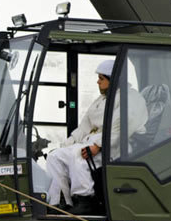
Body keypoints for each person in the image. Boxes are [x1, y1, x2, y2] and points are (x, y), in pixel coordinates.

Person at [44, 59, 147, 213]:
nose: (98, 82)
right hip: (94, 141)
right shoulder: (103, 99)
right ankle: (60, 202)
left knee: (78, 156)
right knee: (55, 157)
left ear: (113, 80)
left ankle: (85, 200)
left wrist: (98, 145)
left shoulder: (131, 98)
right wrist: (67, 143)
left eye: (101, 78)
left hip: (117, 145)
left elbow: (121, 128)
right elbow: (85, 126)